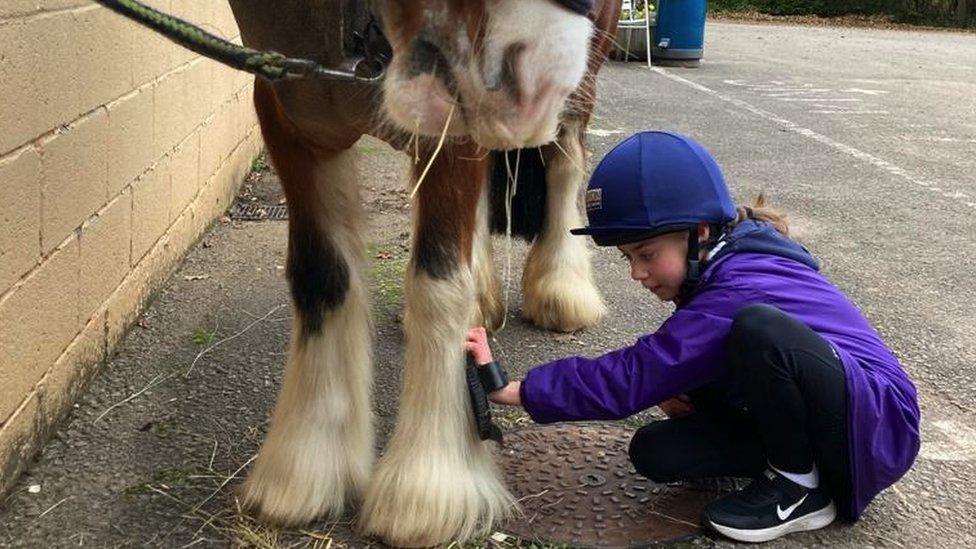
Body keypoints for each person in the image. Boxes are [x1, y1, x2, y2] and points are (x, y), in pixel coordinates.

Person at [465, 131, 920, 543]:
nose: (637, 273)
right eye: (627, 257)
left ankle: (800, 490)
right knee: (657, 452)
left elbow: (638, 372)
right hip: (829, 420)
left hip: (877, 425)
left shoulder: (741, 283)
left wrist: (517, 390)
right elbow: (704, 360)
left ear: (699, 232)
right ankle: (802, 466)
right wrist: (695, 390)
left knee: (758, 327)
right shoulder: (718, 269)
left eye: (646, 254)